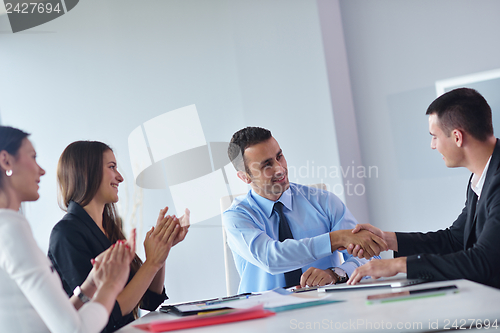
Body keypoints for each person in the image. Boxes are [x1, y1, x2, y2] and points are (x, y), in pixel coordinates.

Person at [347, 87, 500, 289]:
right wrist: (386, 239)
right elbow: (454, 240)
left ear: (457, 137)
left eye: (434, 136)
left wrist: (400, 265)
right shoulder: (481, 177)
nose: (432, 145)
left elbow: (484, 261)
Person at [0, 126, 134, 333]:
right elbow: (75, 329)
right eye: (33, 157)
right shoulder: (10, 230)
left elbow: (54, 321)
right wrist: (110, 286)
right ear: (6, 161)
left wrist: (90, 286)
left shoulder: (10, 228)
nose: (42, 170)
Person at [222, 127, 387, 293]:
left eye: (279, 156)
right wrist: (334, 239)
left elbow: (369, 256)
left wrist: (337, 273)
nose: (280, 169)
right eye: (267, 165)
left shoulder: (324, 201)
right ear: (245, 177)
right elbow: (270, 259)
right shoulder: (236, 216)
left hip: (327, 309)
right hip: (263, 313)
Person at [48, 141, 190, 332]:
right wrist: (152, 263)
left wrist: (161, 249)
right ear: (87, 171)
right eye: (112, 167)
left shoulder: (110, 229)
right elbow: (105, 315)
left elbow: (148, 299)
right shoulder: (66, 234)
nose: (120, 177)